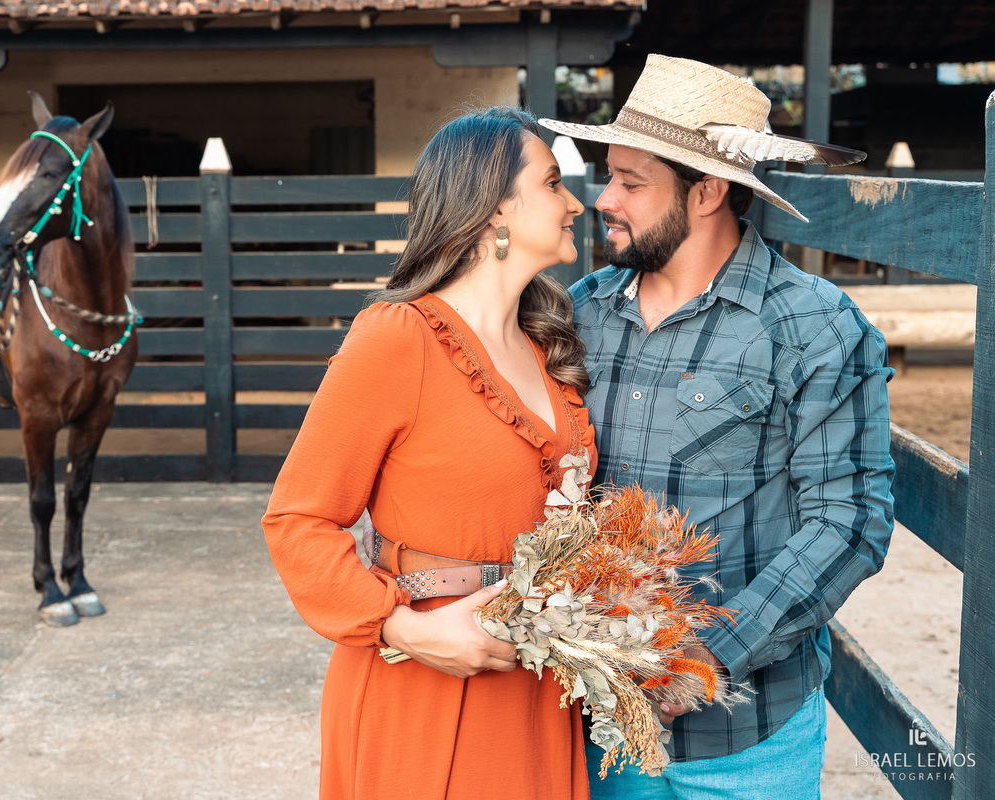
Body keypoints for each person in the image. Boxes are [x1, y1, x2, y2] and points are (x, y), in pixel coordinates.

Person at [537, 55, 895, 799]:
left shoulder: (815, 326)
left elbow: (851, 522)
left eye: (633, 183)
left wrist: (710, 655)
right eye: (610, 176)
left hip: (749, 737)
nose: (604, 199)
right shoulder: (583, 313)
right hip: (598, 721)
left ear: (709, 191)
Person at [262, 107, 595, 799]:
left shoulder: (547, 344)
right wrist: (402, 628)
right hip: (426, 681)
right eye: (555, 183)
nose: (575, 204)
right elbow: (297, 521)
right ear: (494, 207)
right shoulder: (398, 337)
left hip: (538, 687)